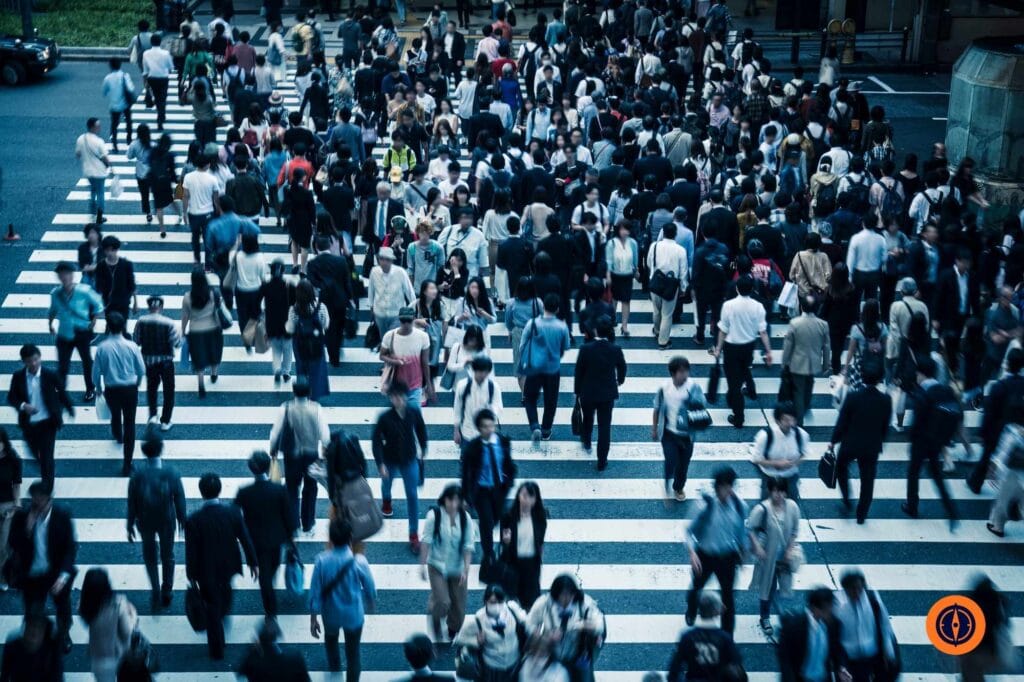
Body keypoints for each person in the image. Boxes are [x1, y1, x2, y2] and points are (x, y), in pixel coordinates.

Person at [184, 472, 257, 660]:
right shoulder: (232, 513)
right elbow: (245, 538)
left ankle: (216, 648)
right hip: (228, 565)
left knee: (211, 605)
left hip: (205, 571)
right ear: (219, 490)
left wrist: (191, 574)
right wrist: (252, 562)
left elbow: (191, 551)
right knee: (224, 594)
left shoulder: (194, 520)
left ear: (202, 493)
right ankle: (223, 612)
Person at [7, 481, 77, 653]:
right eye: (34, 501)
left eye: (40, 502)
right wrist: (27, 531)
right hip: (31, 575)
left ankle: (63, 633)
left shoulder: (62, 516)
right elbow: (12, 544)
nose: (36, 506)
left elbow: (70, 547)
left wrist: (63, 576)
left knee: (63, 606)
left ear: (49, 500)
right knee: (32, 610)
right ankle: (34, 639)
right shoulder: (22, 517)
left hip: (55, 574)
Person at [310, 518, 377, 678]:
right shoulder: (359, 561)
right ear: (350, 538)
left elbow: (315, 591)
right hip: (353, 615)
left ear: (331, 539)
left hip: (330, 614)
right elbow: (370, 587)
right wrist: (370, 602)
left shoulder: (321, 560)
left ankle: (335, 669)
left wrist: (313, 618)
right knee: (353, 655)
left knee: (331, 640)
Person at [126, 429, 186, 610]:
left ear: (144, 451)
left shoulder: (138, 475)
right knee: (168, 556)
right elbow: (179, 498)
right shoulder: (171, 473)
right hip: (167, 520)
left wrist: (129, 525)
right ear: (161, 449)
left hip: (145, 521)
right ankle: (167, 589)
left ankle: (154, 591)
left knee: (150, 557)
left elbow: (132, 502)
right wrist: (182, 520)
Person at [903, 355, 962, 530]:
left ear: (920, 373)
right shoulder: (945, 390)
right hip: (937, 441)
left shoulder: (921, 393)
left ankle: (912, 505)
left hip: (921, 441)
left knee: (913, 472)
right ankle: (951, 509)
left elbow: (917, 420)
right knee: (936, 475)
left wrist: (911, 438)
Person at [685, 466, 747, 633]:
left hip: (727, 557)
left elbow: (741, 533)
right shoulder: (705, 505)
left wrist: (742, 554)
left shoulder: (740, 507)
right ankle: (691, 609)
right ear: (716, 487)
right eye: (723, 487)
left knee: (728, 598)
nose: (726, 491)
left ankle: (727, 635)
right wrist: (692, 554)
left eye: (729, 487)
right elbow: (689, 532)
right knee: (696, 588)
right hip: (704, 556)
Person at [830, 359, 892, 524]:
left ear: (862, 377)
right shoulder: (886, 400)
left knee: (841, 468)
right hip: (871, 445)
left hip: (850, 443)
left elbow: (842, 421)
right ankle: (861, 514)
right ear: (879, 379)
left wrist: (833, 440)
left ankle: (847, 500)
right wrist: (881, 440)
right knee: (868, 479)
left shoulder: (853, 397)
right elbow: (885, 426)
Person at [235, 450, 295, 618]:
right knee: (274, 565)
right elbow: (288, 516)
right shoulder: (279, 490)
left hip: (255, 539)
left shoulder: (244, 492)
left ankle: (270, 609)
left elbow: (234, 514)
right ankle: (270, 592)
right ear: (268, 468)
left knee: (265, 574)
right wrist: (291, 538)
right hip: (277, 538)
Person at [5, 345, 73, 489]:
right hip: (29, 424)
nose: (34, 363)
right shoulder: (18, 377)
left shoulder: (50, 374)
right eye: (30, 361)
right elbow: (12, 397)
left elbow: (62, 392)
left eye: (36, 359)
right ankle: (45, 470)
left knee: (47, 457)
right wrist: (24, 406)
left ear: (40, 358)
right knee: (34, 452)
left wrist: (69, 407)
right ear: (24, 361)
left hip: (48, 423)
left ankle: (47, 486)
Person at [373, 380, 429, 553]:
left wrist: (423, 449)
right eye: (394, 397)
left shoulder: (413, 413)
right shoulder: (384, 417)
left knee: (412, 496)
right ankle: (387, 501)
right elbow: (376, 441)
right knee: (386, 485)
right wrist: (380, 463)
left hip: (409, 458)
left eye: (400, 396)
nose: (398, 400)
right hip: (390, 459)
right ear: (390, 398)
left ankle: (413, 535)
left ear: (405, 397)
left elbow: (421, 431)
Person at [269, 380, 330, 535]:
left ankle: (294, 524)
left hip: (292, 455)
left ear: (294, 392)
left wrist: (273, 449)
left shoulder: (286, 408)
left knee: (292, 489)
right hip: (311, 454)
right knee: (310, 489)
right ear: (309, 392)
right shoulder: (316, 408)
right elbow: (325, 435)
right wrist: (325, 451)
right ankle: (308, 524)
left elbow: (275, 431)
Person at [420, 484, 477, 643]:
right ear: (444, 499)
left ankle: (453, 628)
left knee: (459, 608)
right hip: (437, 565)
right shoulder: (434, 516)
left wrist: (466, 569)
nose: (453, 504)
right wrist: (422, 565)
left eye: (456, 501)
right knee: (443, 602)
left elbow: (468, 546)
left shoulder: (466, 519)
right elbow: (426, 541)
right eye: (450, 500)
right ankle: (436, 626)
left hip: (457, 568)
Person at [714, 276, 772, 428]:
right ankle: (749, 390)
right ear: (752, 289)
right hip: (748, 346)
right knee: (744, 369)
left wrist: (718, 348)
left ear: (737, 288)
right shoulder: (758, 306)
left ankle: (738, 417)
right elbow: (763, 331)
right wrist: (768, 350)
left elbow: (723, 330)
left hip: (731, 347)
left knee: (733, 384)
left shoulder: (728, 305)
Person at [92, 313, 145, 475]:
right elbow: (141, 370)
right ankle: (127, 463)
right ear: (123, 327)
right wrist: (138, 382)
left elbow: (95, 373)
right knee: (130, 423)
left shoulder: (102, 348)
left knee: (115, 413)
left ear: (108, 327)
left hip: (111, 389)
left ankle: (117, 434)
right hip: (129, 388)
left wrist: (98, 387)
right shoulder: (132, 346)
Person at [460, 408, 516, 562]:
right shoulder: (473, 448)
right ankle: (489, 554)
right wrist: (465, 497)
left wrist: (509, 481)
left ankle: (502, 548)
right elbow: (466, 474)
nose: (489, 429)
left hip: (499, 489)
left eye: (491, 426)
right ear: (479, 428)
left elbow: (509, 465)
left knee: (500, 518)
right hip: (482, 491)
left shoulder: (502, 442)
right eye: (485, 426)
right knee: (487, 522)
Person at [747, 477, 801, 634]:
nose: (778, 494)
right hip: (767, 557)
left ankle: (775, 611)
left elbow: (794, 531)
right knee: (768, 587)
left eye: (781, 490)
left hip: (784, 557)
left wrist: (789, 550)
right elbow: (749, 528)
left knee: (783, 585)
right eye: (775, 490)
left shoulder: (792, 507)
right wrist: (757, 547)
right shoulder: (762, 509)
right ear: (770, 491)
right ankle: (765, 617)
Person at [525, 574, 606, 679]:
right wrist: (545, 635)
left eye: (570, 594)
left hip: (578, 656)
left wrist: (582, 625)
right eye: (563, 595)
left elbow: (600, 625)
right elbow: (529, 624)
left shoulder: (585, 603)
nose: (567, 599)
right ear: (556, 593)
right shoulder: (544, 603)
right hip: (552, 657)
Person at [574, 318, 627, 470]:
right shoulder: (615, 349)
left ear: (595, 331)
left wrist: (577, 391)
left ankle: (587, 441)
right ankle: (602, 460)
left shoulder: (585, 349)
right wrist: (620, 381)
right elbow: (622, 367)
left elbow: (579, 372)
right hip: (607, 394)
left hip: (588, 392)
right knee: (605, 427)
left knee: (588, 418)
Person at [969, 348, 1024, 494]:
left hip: (997, 431)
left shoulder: (999, 387)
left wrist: (983, 433)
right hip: (1017, 432)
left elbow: (989, 413)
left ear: (1007, 364)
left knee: (986, 457)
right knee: (1014, 462)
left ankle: (976, 483)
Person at [519, 293, 571, 444]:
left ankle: (534, 425)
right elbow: (565, 346)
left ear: (544, 307)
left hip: (535, 367)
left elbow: (523, 344)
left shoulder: (533, 324)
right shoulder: (562, 326)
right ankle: (546, 430)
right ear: (557, 309)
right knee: (551, 401)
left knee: (530, 398)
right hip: (553, 368)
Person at [48, 261, 103, 402]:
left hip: (81, 332)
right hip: (64, 333)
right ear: (59, 277)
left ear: (72, 276)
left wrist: (94, 320)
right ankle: (60, 389)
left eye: (67, 274)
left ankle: (90, 388)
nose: (64, 277)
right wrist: (50, 324)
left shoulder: (84, 291)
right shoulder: (55, 293)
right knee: (63, 364)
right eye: (61, 275)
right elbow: (53, 310)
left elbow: (98, 305)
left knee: (86, 361)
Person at [453, 583, 528, 681]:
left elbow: (526, 621)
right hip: (492, 667)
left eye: (500, 601)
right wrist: (476, 641)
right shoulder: (478, 620)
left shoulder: (512, 610)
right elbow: (460, 639)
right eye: (492, 602)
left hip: (514, 663)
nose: (497, 605)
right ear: (485, 601)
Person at [833, 570, 898, 682]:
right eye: (852, 589)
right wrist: (840, 665)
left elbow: (884, 625)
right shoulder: (837, 605)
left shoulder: (872, 598)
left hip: (873, 655)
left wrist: (889, 652)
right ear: (845, 589)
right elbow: (833, 637)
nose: (857, 593)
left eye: (859, 588)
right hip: (851, 660)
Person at [667, 592, 744, 681]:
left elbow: (674, 670)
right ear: (716, 611)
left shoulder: (687, 637)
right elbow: (737, 670)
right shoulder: (725, 639)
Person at [778, 587, 849, 682]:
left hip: (823, 678)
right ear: (814, 608)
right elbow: (785, 659)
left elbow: (836, 648)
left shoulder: (833, 624)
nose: (831, 611)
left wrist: (841, 667)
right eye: (827, 608)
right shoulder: (794, 626)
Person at [79, 568, 137, 682]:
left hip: (98, 657)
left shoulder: (84, 606)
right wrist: (133, 615)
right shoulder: (117, 605)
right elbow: (127, 632)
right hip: (119, 655)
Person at [133, 295, 180, 430]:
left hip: (149, 361)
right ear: (161, 307)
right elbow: (176, 343)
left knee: (152, 388)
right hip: (166, 362)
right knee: (168, 391)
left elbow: (136, 340)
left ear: (149, 307)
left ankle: (152, 415)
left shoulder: (141, 321)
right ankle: (165, 421)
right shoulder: (169, 323)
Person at [782, 294, 831, 423]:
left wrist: (784, 362)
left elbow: (788, 345)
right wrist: (826, 364)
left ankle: (799, 420)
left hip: (797, 363)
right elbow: (826, 347)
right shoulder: (823, 324)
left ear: (801, 307)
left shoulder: (795, 323)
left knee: (798, 391)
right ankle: (806, 404)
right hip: (814, 362)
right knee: (809, 384)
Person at [499, 481, 547, 610]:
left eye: (531, 496)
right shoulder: (508, 517)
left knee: (531, 600)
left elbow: (540, 541)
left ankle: (528, 624)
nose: (527, 500)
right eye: (524, 495)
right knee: (513, 597)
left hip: (532, 564)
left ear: (536, 499)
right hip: (514, 562)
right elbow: (503, 543)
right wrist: (506, 542)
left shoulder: (539, 517)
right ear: (518, 495)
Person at [181, 268, 227, 398]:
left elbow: (185, 317)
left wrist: (183, 331)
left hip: (196, 331)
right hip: (213, 328)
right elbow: (219, 309)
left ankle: (201, 385)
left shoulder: (187, 297)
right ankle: (214, 374)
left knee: (198, 359)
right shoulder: (213, 294)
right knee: (214, 353)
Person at [381, 306, 437, 410]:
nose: (406, 323)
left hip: (416, 383)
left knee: (414, 416)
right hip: (397, 384)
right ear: (399, 320)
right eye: (403, 320)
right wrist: (395, 361)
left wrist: (429, 384)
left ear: (413, 319)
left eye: (409, 320)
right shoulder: (389, 336)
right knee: (399, 417)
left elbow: (425, 362)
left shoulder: (422, 336)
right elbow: (382, 356)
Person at [751, 402, 808, 502]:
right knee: (766, 507)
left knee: (792, 506)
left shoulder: (801, 435)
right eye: (786, 420)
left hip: (790, 477)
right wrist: (775, 463)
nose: (790, 423)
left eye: (793, 419)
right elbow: (756, 459)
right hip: (770, 477)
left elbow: (804, 454)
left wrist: (793, 463)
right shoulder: (765, 436)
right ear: (777, 421)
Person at [647, 222, 689, 349]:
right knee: (667, 314)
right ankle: (663, 341)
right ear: (675, 234)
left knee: (656, 310)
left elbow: (649, 263)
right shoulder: (680, 250)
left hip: (655, 282)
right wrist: (683, 288)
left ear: (663, 233)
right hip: (671, 285)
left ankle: (657, 330)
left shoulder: (654, 246)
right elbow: (683, 271)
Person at [985, 402, 1024, 537]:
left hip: (1012, 473)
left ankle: (997, 526)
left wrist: (994, 469)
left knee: (1003, 500)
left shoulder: (1013, 430)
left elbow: (1003, 454)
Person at [237, 619, 311, 682]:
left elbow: (240, 672)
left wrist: (251, 650)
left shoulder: (253, 660)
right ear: (276, 636)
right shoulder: (294, 657)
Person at [0, 611, 64, 682]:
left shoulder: (52, 647)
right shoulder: (13, 644)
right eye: (31, 626)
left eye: (39, 628)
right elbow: (4, 675)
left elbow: (57, 676)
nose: (34, 631)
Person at [369, 246, 416, 336]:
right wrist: (371, 308)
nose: (384, 262)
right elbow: (371, 291)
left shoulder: (400, 272)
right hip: (380, 313)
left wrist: (412, 311)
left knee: (394, 339)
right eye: (381, 259)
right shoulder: (374, 271)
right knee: (383, 339)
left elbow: (410, 292)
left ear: (391, 261)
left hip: (396, 314)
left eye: (387, 260)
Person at [94, 236, 138, 321]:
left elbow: (131, 284)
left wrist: (135, 303)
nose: (110, 253)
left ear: (117, 249)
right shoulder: (101, 266)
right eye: (107, 250)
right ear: (104, 250)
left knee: (123, 324)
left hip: (123, 301)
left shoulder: (126, 264)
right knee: (110, 323)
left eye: (112, 250)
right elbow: (98, 285)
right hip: (108, 302)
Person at [76, 117, 112, 222]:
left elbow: (78, 154)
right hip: (99, 172)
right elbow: (105, 157)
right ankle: (100, 216)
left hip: (88, 172)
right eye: (98, 126)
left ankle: (92, 213)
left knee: (92, 191)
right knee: (100, 193)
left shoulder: (81, 139)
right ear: (93, 127)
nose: (100, 128)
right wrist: (110, 165)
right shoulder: (99, 141)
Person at [102, 59, 135, 152]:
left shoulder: (108, 78)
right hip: (125, 103)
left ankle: (115, 143)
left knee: (114, 124)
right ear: (120, 65)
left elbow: (104, 92)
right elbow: (131, 88)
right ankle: (129, 138)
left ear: (110, 66)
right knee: (128, 120)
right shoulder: (125, 75)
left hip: (114, 104)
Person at [141, 34, 173, 130]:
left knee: (156, 96)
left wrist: (145, 81)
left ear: (151, 42)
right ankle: (161, 117)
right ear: (160, 42)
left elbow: (145, 70)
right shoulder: (166, 53)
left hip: (152, 78)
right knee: (162, 98)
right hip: (163, 77)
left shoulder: (146, 53)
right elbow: (170, 66)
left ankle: (160, 115)